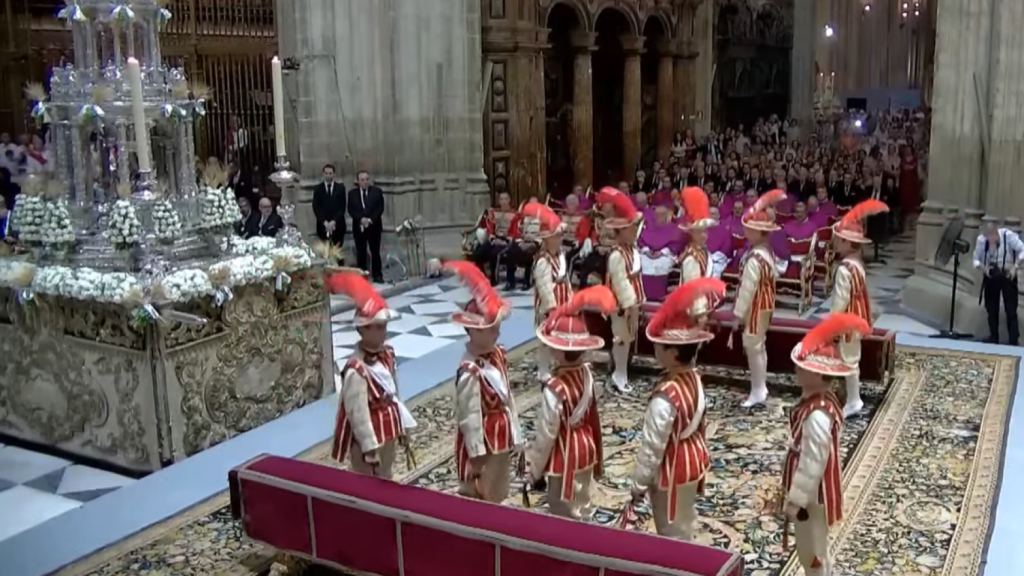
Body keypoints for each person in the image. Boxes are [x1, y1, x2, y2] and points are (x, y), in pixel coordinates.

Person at [630, 278, 726, 540]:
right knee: (684, 520)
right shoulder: (695, 378)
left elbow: (653, 445)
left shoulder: (666, 396)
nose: (655, 350)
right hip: (694, 462)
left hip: (673, 470)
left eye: (659, 346)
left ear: (672, 353)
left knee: (670, 529)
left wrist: (638, 483)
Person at [785, 313, 869, 576]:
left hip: (813, 497)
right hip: (814, 493)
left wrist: (796, 499)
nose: (796, 371)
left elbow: (813, 459)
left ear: (817, 375)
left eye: (802, 368)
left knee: (812, 553)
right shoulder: (820, 402)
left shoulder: (818, 414)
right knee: (816, 551)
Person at [527, 286, 616, 519]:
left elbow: (546, 434)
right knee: (583, 501)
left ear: (556, 351)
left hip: (564, 455)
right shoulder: (587, 375)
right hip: (587, 447)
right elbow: (593, 417)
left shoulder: (554, 389)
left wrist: (535, 472)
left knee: (562, 509)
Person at [444, 260, 524, 503]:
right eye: (492, 329)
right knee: (481, 491)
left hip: (501, 437)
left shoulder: (498, 354)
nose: (498, 333)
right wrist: (476, 455)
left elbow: (508, 398)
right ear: (474, 331)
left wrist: (517, 434)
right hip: (483, 443)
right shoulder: (469, 371)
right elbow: (469, 418)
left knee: (499, 486)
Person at [326, 271, 417, 479]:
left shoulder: (388, 355)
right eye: (376, 328)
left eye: (383, 326)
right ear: (362, 330)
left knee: (386, 473)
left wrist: (401, 425)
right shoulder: (356, 370)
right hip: (371, 437)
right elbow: (357, 414)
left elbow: (394, 392)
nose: (382, 332)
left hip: (389, 430)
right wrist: (368, 446)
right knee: (367, 480)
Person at [831, 199, 889, 417]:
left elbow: (840, 300)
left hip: (847, 320)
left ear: (847, 243)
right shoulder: (857, 265)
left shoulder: (845, 269)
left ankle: (854, 400)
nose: (835, 243)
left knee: (849, 359)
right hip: (857, 318)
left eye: (838, 240)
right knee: (850, 357)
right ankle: (849, 396)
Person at [733, 189, 784, 407]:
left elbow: (747, 289)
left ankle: (757, 389)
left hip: (755, 306)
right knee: (758, 345)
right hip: (766, 304)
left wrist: (738, 314)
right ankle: (759, 386)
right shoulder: (768, 253)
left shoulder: (755, 258)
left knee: (753, 345)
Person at [598, 187, 646, 395]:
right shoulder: (617, 255)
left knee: (627, 339)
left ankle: (621, 373)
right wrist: (630, 305)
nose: (635, 231)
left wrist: (638, 303)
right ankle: (619, 375)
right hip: (620, 305)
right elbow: (621, 283)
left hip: (632, 303)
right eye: (631, 228)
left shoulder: (632, 251)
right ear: (621, 231)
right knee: (621, 338)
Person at [522, 201, 573, 381]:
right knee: (544, 338)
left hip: (563, 300)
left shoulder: (561, 256)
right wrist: (552, 308)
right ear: (547, 239)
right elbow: (544, 287)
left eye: (561, 235)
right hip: (548, 305)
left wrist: (571, 299)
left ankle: (560, 364)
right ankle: (543, 370)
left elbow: (565, 278)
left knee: (561, 336)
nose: (560, 239)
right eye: (557, 236)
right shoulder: (543, 261)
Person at [972, 222, 1024, 346]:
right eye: (988, 238)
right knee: (991, 308)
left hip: (1007, 274)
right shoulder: (981, 241)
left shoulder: (1008, 236)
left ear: (996, 233)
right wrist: (983, 269)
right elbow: (975, 259)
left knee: (1011, 309)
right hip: (991, 276)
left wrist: (1015, 267)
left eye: (993, 238)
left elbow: (1023, 250)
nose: (991, 241)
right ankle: (993, 336)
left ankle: (1013, 339)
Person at [677, 187, 719, 315]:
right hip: (693, 311)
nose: (704, 235)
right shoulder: (692, 257)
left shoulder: (703, 251)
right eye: (700, 232)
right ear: (691, 234)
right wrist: (699, 313)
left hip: (705, 306)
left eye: (705, 231)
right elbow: (693, 288)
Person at [471, 191, 521, 285]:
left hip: (505, 241)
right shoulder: (494, 213)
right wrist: (491, 235)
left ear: (509, 200)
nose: (504, 202)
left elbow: (515, 232)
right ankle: (483, 276)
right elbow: (491, 227)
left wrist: (507, 239)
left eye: (506, 199)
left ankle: (494, 280)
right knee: (477, 254)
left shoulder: (515, 214)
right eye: (501, 199)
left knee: (493, 254)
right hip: (494, 239)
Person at [639, 206, 683, 302]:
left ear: (667, 215)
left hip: (665, 255)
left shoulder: (674, 228)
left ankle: (659, 294)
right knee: (643, 262)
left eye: (662, 215)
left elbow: (675, 244)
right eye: (657, 215)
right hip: (648, 255)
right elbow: (641, 242)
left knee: (662, 263)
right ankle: (645, 294)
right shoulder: (648, 227)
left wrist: (662, 253)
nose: (659, 217)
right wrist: (647, 251)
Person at [348, 170, 386, 283]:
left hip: (374, 226)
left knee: (375, 251)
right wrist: (361, 219)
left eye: (367, 179)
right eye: (362, 180)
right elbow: (351, 209)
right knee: (361, 252)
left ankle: (377, 274)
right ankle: (362, 275)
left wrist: (370, 220)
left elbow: (380, 208)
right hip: (359, 227)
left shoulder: (377, 192)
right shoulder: (352, 194)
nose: (365, 182)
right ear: (358, 181)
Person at [312, 164, 347, 262]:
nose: (328, 175)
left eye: (330, 173)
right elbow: (316, 207)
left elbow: (342, 207)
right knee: (325, 254)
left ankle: (340, 274)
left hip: (338, 226)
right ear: (323, 174)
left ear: (334, 174)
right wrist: (325, 222)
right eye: (326, 173)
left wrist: (333, 222)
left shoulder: (340, 188)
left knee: (338, 253)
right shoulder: (318, 189)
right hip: (323, 226)